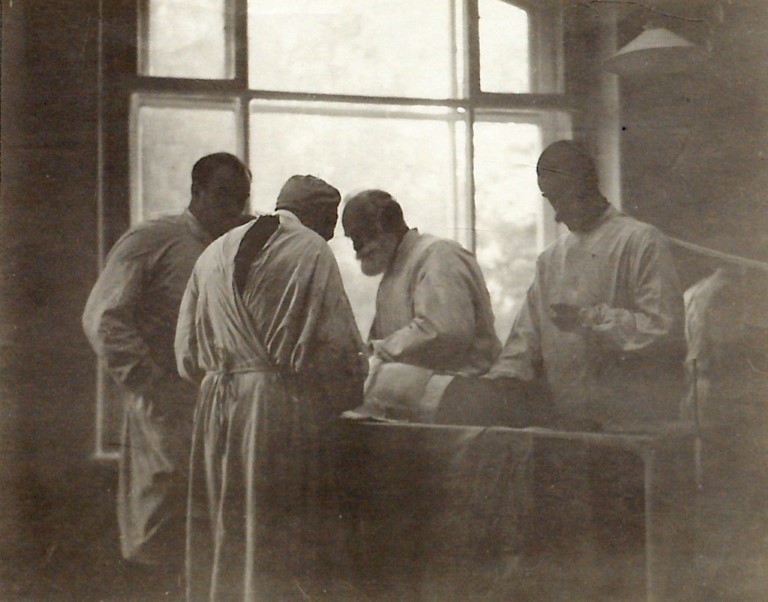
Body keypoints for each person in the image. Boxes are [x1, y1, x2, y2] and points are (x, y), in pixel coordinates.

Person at [175, 174, 367, 601]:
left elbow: (186, 354)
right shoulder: (311, 249)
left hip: (216, 403)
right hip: (274, 405)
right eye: (331, 222)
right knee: (273, 526)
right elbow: (340, 351)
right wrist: (344, 394)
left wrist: (226, 371)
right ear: (320, 216)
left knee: (225, 522)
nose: (332, 234)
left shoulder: (214, 250)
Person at [82, 153, 252, 578]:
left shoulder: (234, 249)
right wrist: (150, 383)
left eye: (240, 197)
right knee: (161, 522)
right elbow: (103, 318)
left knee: (210, 533)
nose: (232, 207)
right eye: (222, 194)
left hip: (217, 405)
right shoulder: (155, 239)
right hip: (164, 403)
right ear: (196, 192)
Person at [487, 140, 686, 431]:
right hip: (569, 425)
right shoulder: (551, 260)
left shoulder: (641, 241)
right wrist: (495, 386)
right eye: (550, 200)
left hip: (633, 425)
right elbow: (524, 343)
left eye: (561, 197)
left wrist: (590, 319)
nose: (556, 215)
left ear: (585, 184)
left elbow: (663, 329)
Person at [341, 189, 505, 424]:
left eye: (359, 236)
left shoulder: (439, 255)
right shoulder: (394, 272)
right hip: (426, 406)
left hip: (465, 398)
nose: (357, 249)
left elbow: (446, 332)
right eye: (351, 239)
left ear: (386, 228)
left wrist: (377, 351)